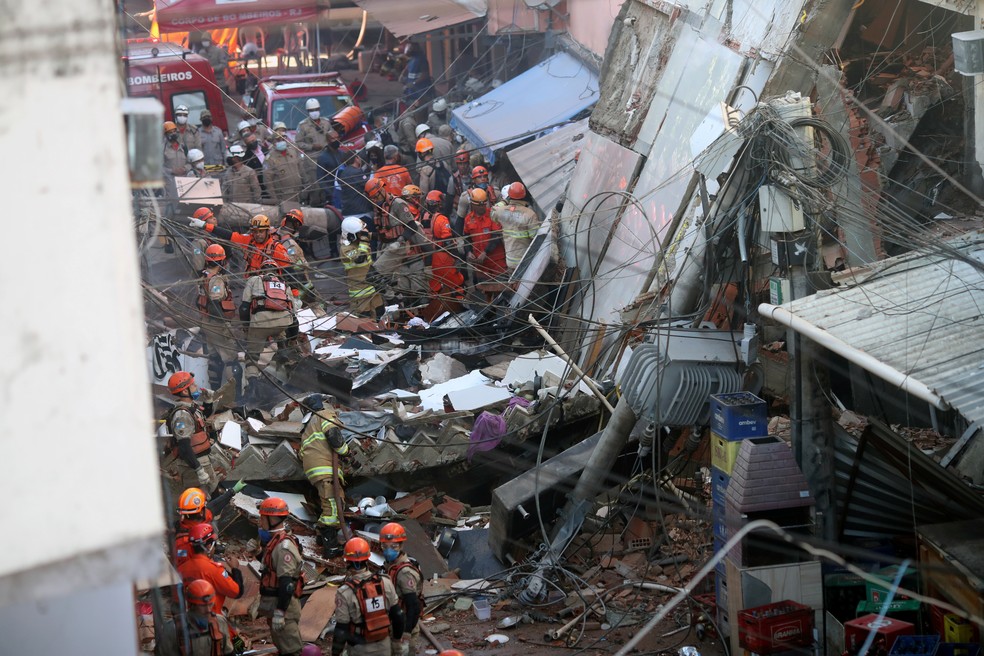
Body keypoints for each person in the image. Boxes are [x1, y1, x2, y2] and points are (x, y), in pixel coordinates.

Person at [297, 394, 350, 556]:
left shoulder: (306, 428)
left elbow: (301, 454)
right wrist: (346, 452)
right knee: (333, 508)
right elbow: (334, 437)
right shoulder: (324, 415)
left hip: (314, 471)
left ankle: (321, 537)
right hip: (326, 469)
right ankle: (331, 548)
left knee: (328, 505)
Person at [332, 537, 404, 656]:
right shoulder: (385, 582)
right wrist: (396, 642)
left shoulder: (345, 592)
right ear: (367, 559)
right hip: (384, 646)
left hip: (360, 649)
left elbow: (341, 629)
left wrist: (335, 653)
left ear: (347, 562)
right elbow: (398, 616)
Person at [257, 497, 304, 656]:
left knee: (292, 650)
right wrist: (257, 553)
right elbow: (271, 568)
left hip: (285, 609)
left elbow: (287, 584)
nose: (260, 521)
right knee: (283, 647)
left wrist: (280, 612)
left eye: (263, 518)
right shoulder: (275, 542)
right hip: (275, 606)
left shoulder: (284, 548)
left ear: (272, 520)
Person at [162, 372, 218, 505]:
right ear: (184, 391)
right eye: (193, 385)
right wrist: (199, 470)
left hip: (202, 460)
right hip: (191, 466)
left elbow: (201, 420)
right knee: (199, 501)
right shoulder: (182, 415)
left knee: (212, 495)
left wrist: (208, 401)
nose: (196, 386)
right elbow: (184, 447)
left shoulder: (191, 407)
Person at [240, 260, 295, 386]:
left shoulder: (254, 280)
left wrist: (246, 327)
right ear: (277, 272)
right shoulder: (284, 284)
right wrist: (293, 338)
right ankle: (283, 353)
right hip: (282, 322)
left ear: (261, 271)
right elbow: (293, 314)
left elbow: (244, 307)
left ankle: (252, 386)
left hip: (260, 323)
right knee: (282, 340)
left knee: (252, 356)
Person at [197, 244, 242, 389]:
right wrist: (224, 324)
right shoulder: (216, 279)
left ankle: (214, 392)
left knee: (214, 358)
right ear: (222, 261)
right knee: (231, 360)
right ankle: (236, 395)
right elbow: (215, 303)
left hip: (205, 323)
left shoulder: (203, 276)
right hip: (217, 324)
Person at [373, 185, 428, 303]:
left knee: (405, 298)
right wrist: (429, 266)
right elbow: (424, 244)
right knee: (420, 297)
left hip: (401, 264)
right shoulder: (411, 221)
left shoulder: (393, 214)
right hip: (414, 262)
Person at [178, 523, 244, 615]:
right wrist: (235, 569)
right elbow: (237, 592)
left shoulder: (181, 569)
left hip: (188, 617)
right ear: (209, 546)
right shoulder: (214, 570)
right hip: (211, 618)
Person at [190, 213, 290, 273]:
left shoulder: (277, 248)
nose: (258, 235)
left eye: (261, 231)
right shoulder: (248, 240)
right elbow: (228, 235)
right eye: (255, 232)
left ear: (267, 231)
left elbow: (289, 271)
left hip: (270, 287)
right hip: (252, 285)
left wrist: (294, 294)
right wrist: (204, 225)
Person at [172, 484, 244, 566]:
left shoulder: (198, 517)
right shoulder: (183, 544)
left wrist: (232, 491)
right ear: (201, 512)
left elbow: (215, 506)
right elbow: (184, 567)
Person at [379, 523, 423, 656]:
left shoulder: (405, 572)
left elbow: (413, 606)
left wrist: (406, 633)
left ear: (401, 546)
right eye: (385, 546)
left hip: (404, 626)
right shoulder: (388, 566)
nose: (388, 550)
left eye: (393, 547)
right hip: (392, 625)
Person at [422, 190, 464, 315]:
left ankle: (435, 312)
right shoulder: (441, 219)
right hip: (442, 256)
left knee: (434, 286)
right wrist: (457, 257)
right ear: (439, 204)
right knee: (456, 282)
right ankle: (460, 309)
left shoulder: (424, 216)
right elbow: (448, 242)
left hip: (429, 257)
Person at [176, 580, 237, 656]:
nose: (208, 610)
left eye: (210, 604)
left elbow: (228, 652)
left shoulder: (219, 622)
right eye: (202, 606)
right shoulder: (174, 628)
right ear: (191, 605)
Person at [492, 182, 541, 273]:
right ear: (524, 196)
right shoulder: (530, 214)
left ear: (509, 196)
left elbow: (493, 211)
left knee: (513, 281)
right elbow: (535, 238)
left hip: (510, 261)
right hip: (525, 262)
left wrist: (505, 201)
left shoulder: (501, 211)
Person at [339, 216, 383, 317]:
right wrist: (364, 240)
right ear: (351, 235)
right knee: (364, 318)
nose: (362, 234)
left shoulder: (359, 239)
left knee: (379, 312)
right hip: (359, 292)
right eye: (359, 233)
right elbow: (360, 258)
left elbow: (376, 236)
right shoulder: (345, 249)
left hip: (372, 286)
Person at [462, 188, 506, 286]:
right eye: (479, 205)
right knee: (484, 289)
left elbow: (496, 236)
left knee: (502, 287)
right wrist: (468, 252)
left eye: (483, 204)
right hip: (480, 263)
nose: (482, 207)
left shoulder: (492, 215)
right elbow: (467, 238)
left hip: (496, 261)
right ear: (472, 204)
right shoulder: (468, 219)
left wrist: (485, 252)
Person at [295, 98, 332, 205]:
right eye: (311, 110)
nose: (314, 112)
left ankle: (327, 205)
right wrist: (311, 146)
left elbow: (332, 137)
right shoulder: (303, 126)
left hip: (326, 158)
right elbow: (298, 143)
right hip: (312, 161)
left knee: (327, 184)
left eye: (316, 109)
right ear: (307, 111)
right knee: (315, 187)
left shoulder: (326, 122)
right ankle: (315, 207)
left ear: (319, 109)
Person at [277, 209, 315, 302]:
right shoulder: (291, 245)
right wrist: (310, 289)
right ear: (297, 225)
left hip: (278, 286)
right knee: (317, 305)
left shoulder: (274, 237)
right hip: (294, 288)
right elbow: (298, 269)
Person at [264, 132, 304, 204]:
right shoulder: (270, 158)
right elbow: (268, 181)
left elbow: (301, 169)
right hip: (284, 196)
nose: (281, 142)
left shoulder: (292, 151)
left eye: (283, 139)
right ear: (273, 143)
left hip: (299, 192)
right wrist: (274, 199)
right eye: (278, 140)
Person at [317, 129, 343, 208]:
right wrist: (330, 193)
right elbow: (320, 179)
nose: (336, 140)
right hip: (331, 194)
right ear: (328, 141)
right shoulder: (322, 157)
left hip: (343, 191)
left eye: (337, 137)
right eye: (333, 138)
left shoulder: (342, 154)